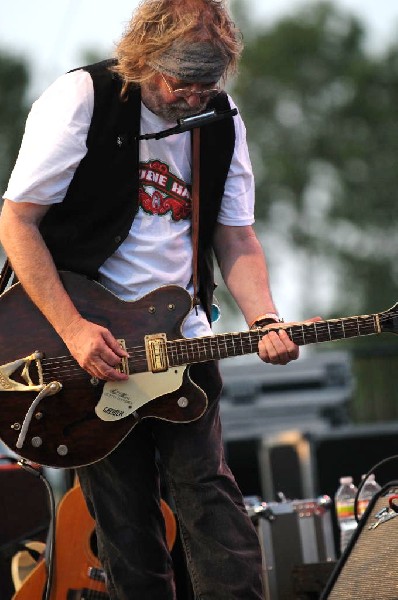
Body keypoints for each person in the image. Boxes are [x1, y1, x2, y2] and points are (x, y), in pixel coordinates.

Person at [0, 1, 301, 598]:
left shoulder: (222, 118)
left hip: (180, 339)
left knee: (211, 502)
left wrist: (265, 317)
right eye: (179, 82)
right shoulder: (82, 99)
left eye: (206, 84)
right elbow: (17, 223)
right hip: (88, 347)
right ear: (142, 61)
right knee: (125, 524)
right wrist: (74, 329)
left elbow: (236, 235)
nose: (193, 97)